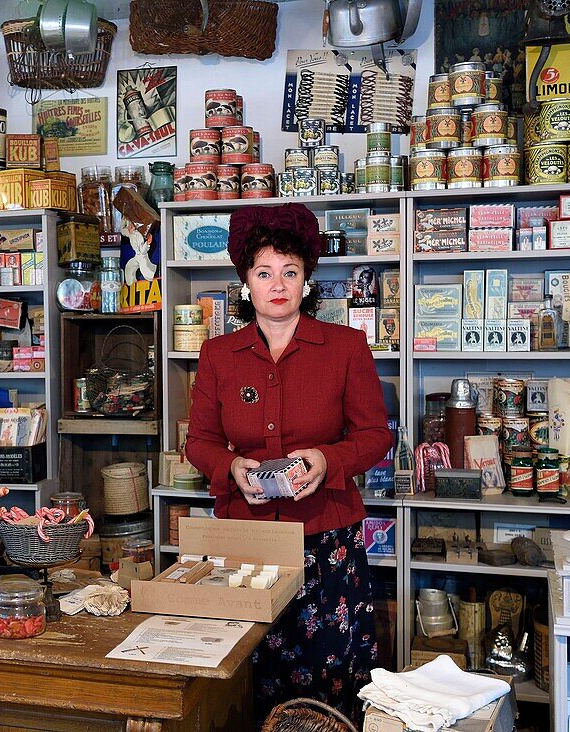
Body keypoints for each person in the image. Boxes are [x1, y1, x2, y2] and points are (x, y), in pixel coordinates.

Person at [185, 203, 392, 724]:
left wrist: (327, 459)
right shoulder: (218, 355)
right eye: (264, 273)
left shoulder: (346, 347)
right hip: (245, 548)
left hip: (327, 547)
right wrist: (231, 469)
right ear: (245, 283)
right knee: (244, 678)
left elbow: (374, 436)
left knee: (329, 690)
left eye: (290, 272)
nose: (278, 285)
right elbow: (200, 442)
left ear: (307, 280)